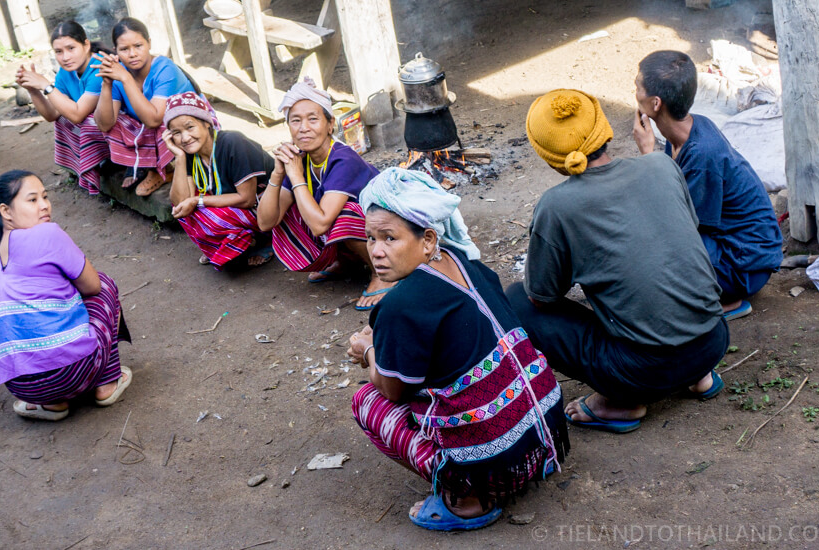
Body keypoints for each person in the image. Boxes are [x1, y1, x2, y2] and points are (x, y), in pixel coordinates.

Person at [348, 167, 569, 532]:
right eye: (370, 238)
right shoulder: (467, 264)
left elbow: (392, 389)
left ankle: (468, 499)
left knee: (367, 402)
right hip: (540, 442)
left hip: (496, 469)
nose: (377, 251)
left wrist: (367, 350)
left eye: (390, 237)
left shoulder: (402, 304)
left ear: (429, 240)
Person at [506, 89, 730, 434]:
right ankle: (699, 377)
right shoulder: (661, 163)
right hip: (714, 339)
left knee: (517, 300)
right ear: (604, 130)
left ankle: (622, 402)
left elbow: (541, 296)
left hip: (641, 372)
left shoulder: (557, 206)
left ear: (548, 154)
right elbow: (682, 234)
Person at [633, 50, 783, 321]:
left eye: (637, 86)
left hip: (744, 265)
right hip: (732, 247)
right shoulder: (688, 129)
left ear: (656, 103)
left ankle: (722, 304)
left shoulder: (702, 154)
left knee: (653, 253)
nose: (634, 91)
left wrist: (648, 157)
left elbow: (679, 227)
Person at [0, 170, 132, 421]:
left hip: (23, 387)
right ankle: (107, 383)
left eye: (45, 197)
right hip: (70, 373)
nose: (44, 206)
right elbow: (92, 286)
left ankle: (53, 404)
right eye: (32, 200)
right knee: (104, 285)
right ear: (6, 211)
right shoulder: (48, 234)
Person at [256, 77, 392, 310]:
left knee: (342, 214)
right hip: (367, 234)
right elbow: (266, 222)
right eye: (295, 120)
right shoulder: (301, 159)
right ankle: (346, 263)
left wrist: (295, 176)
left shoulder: (344, 159)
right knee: (292, 210)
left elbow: (320, 225)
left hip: (392, 231)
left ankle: (384, 274)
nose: (304, 128)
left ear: (330, 125)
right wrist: (278, 174)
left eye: (313, 119)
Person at [162, 92, 274, 268]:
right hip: (240, 205)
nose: (184, 138)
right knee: (183, 208)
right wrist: (179, 158)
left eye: (190, 127)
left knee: (209, 214)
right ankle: (229, 244)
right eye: (176, 133)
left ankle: (267, 240)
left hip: (268, 205)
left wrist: (198, 200)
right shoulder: (191, 153)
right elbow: (179, 202)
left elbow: (247, 198)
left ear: (206, 123)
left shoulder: (233, 142)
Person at [93, 17, 195, 197]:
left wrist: (126, 79)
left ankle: (164, 169)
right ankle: (145, 165)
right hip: (153, 129)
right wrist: (107, 84)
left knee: (166, 120)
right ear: (116, 51)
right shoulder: (119, 73)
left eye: (138, 46)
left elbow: (154, 119)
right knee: (114, 121)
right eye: (124, 49)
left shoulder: (164, 68)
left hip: (190, 125)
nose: (132, 54)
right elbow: (105, 125)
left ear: (149, 43)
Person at [15, 21, 111, 195]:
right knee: (62, 117)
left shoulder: (99, 67)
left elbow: (77, 115)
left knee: (87, 121)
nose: (65, 57)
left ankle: (111, 160)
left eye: (71, 48)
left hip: (125, 128)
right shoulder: (66, 72)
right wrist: (33, 90)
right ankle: (92, 161)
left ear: (86, 45)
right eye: (59, 52)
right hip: (100, 131)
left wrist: (46, 85)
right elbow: (52, 114)